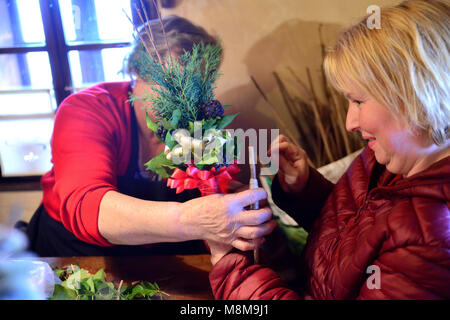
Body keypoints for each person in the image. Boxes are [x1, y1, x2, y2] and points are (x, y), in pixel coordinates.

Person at [207, 0, 450, 299]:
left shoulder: (432, 240)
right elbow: (355, 241)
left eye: (358, 101)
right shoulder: (386, 158)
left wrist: (232, 268)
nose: (350, 122)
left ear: (417, 96)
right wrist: (304, 188)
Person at [25, 15, 276, 257]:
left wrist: (236, 209)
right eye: (174, 83)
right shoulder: (87, 110)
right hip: (77, 252)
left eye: (199, 86)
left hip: (163, 252)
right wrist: (193, 220)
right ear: (138, 70)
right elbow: (89, 206)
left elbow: (210, 199)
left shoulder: (200, 124)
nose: (190, 99)